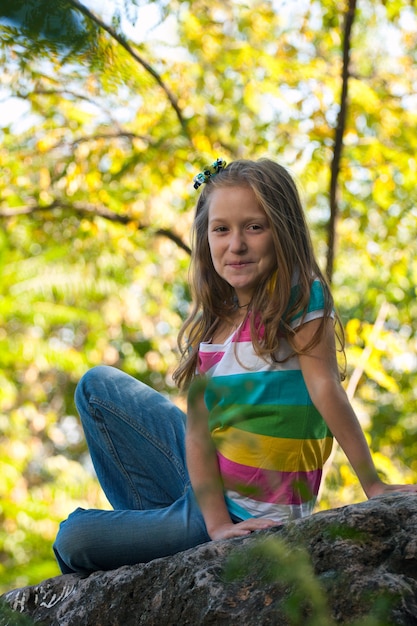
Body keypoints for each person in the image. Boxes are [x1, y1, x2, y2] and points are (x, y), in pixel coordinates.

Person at [53, 158, 416, 575]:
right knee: (98, 386)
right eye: (221, 229)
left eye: (254, 227)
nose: (236, 244)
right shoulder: (219, 324)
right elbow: (199, 436)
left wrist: (373, 483)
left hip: (248, 513)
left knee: (73, 537)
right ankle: (166, 536)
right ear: (206, 238)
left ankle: (166, 535)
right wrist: (214, 523)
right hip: (207, 499)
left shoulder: (295, 297)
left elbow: (325, 388)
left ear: (283, 232)